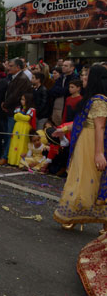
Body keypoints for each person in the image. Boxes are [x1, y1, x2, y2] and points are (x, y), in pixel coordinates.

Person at [53, 65, 107, 233]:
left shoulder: (99, 100)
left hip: (93, 145)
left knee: (93, 181)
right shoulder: (90, 99)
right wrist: (65, 129)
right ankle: (74, 215)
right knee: (80, 179)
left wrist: (99, 153)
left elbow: (100, 127)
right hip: (83, 143)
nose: (83, 79)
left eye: (86, 77)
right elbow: (82, 121)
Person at [0, 58, 32, 166]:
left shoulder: (22, 78)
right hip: (10, 110)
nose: (8, 68)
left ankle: (5, 156)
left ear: (18, 67)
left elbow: (16, 95)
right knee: (8, 134)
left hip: (15, 111)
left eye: (11, 66)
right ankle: (7, 155)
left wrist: (6, 104)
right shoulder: (14, 77)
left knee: (10, 134)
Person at [7, 93, 36, 166]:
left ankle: (20, 162)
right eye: (21, 99)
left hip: (25, 128)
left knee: (22, 143)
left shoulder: (31, 109)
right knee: (15, 143)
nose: (21, 101)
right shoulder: (18, 108)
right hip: (17, 127)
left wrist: (19, 115)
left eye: (23, 99)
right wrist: (21, 116)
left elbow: (27, 118)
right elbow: (15, 117)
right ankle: (12, 160)